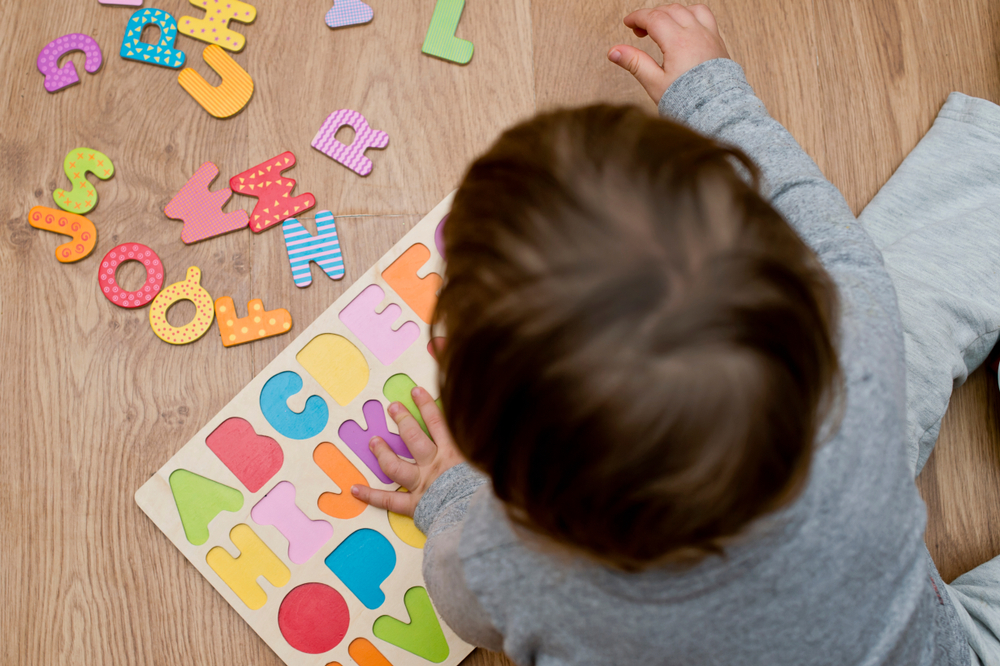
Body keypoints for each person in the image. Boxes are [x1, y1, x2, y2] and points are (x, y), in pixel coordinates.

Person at [352, 4, 1000, 663]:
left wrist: (451, 490)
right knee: (912, 272)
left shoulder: (514, 561)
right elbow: (818, 225)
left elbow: (466, 607)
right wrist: (710, 92)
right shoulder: (851, 349)